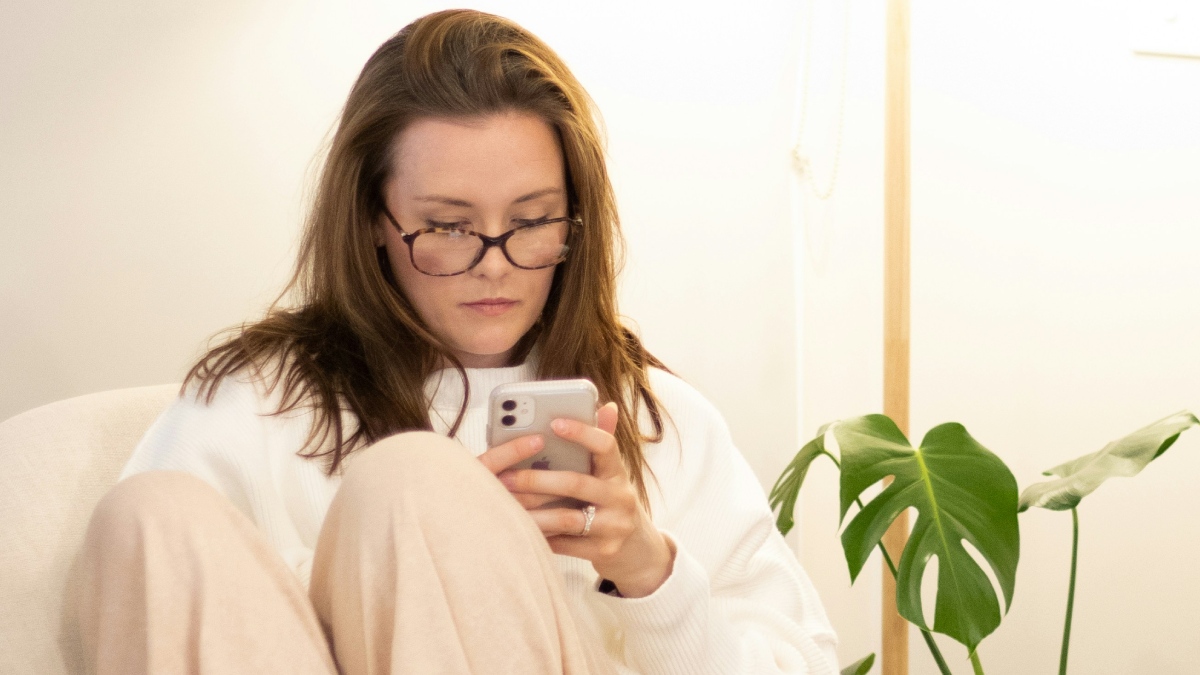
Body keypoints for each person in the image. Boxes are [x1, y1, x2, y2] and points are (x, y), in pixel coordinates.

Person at [77, 9, 838, 675]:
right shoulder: (257, 403)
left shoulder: (657, 420)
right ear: (373, 220)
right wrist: (421, 562)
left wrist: (647, 570)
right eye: (447, 226)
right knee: (149, 514)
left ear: (575, 218)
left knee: (413, 483)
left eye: (532, 221)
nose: (494, 264)